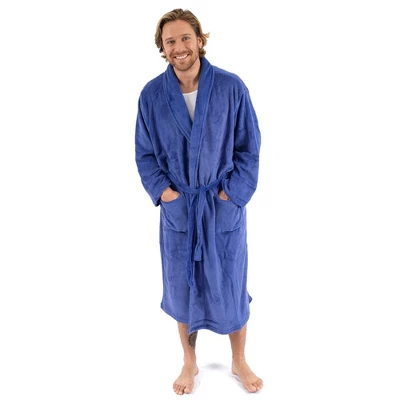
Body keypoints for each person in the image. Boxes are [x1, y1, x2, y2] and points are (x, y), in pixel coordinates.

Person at [135, 8, 263, 395]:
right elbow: (145, 155)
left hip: (221, 207)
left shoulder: (230, 87)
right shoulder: (152, 95)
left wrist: (230, 196)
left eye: (185, 38)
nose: (179, 47)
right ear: (162, 48)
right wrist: (167, 194)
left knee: (232, 281)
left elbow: (249, 149)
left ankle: (239, 359)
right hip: (181, 209)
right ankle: (189, 362)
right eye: (170, 41)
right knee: (181, 286)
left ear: (200, 40)